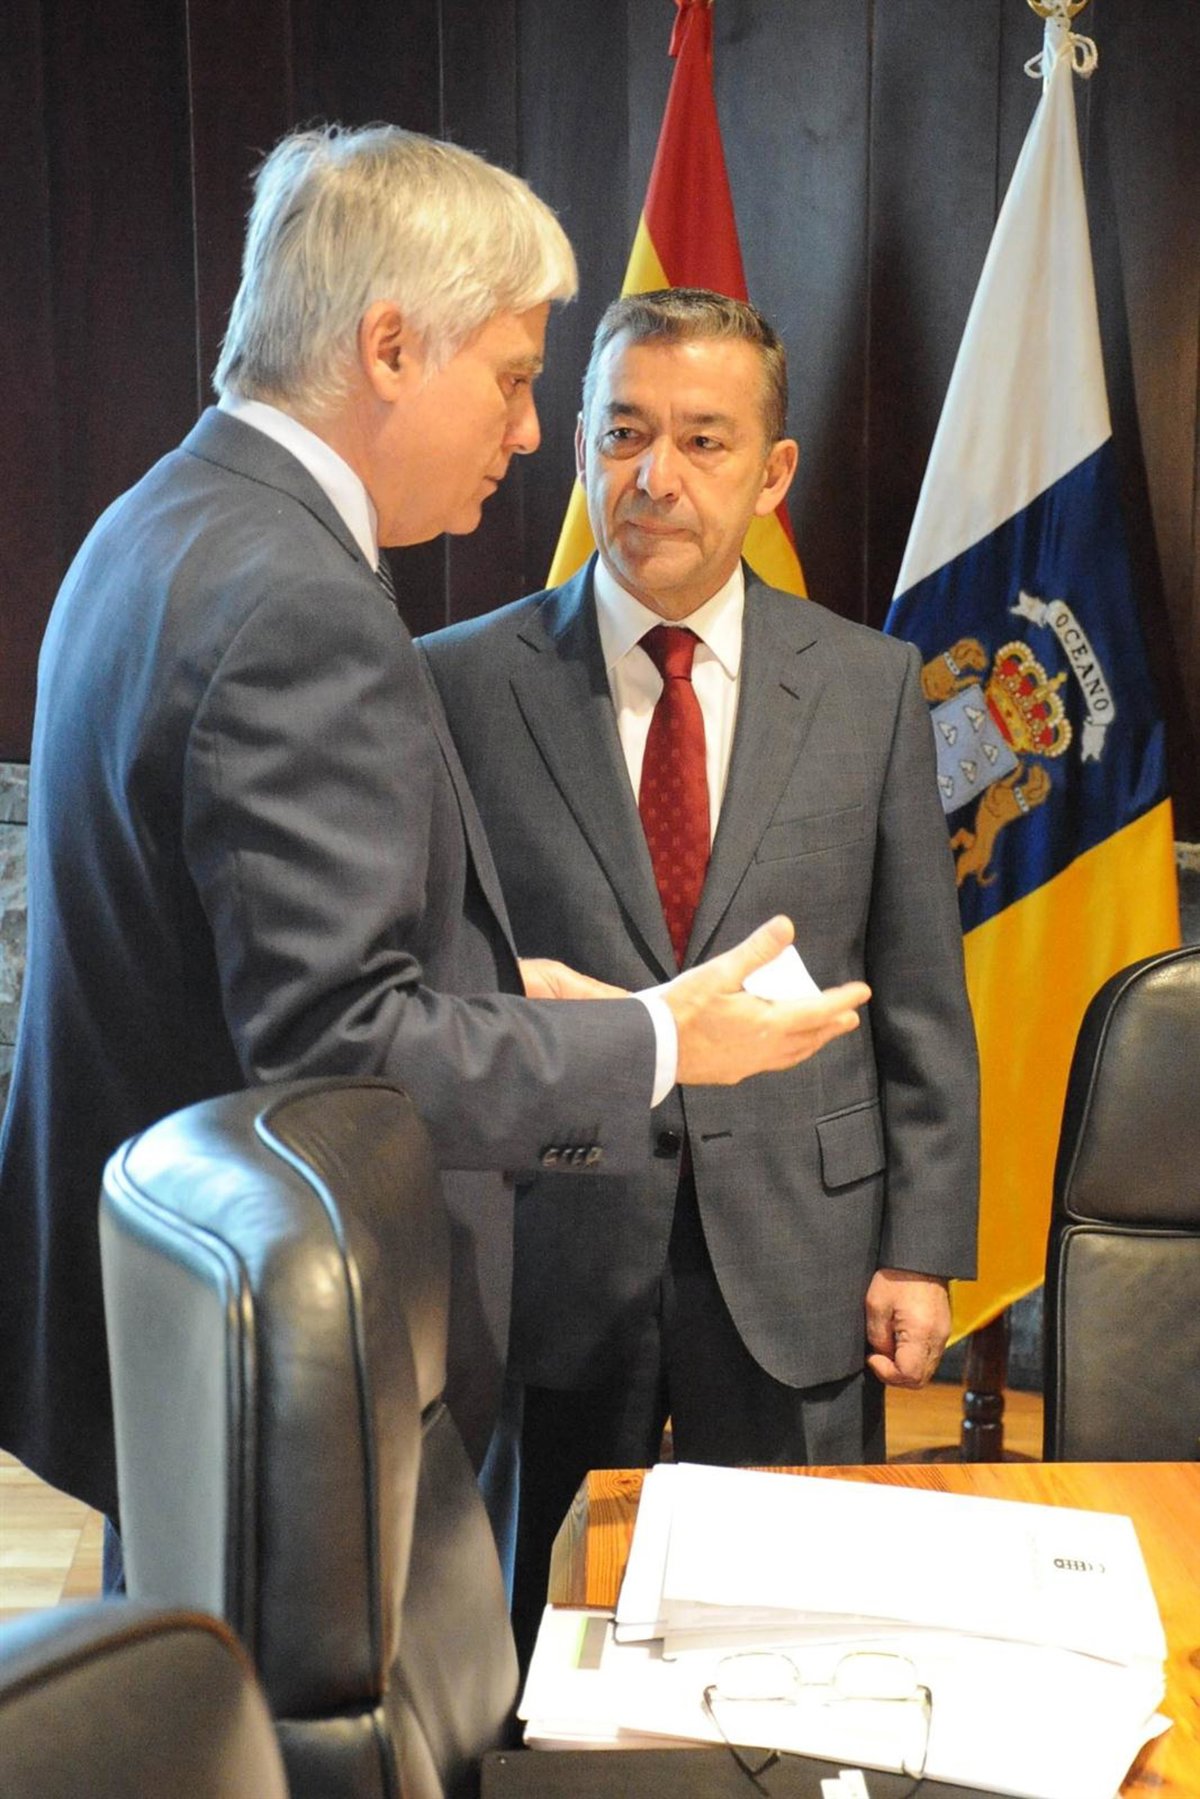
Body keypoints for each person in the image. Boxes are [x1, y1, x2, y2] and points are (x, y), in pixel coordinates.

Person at [0, 140, 870, 1589]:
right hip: (275, 1348)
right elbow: (340, 1044)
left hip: (172, 1309)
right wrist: (664, 1038)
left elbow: (237, 954)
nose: (532, 433)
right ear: (392, 347)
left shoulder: (161, 517)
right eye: (516, 376)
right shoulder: (298, 601)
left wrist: (502, 987)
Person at [420, 287, 980, 1661]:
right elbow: (440, 982)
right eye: (624, 433)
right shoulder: (455, 685)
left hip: (801, 1255)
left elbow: (919, 998)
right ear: (580, 447)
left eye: (703, 440)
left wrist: (922, 1251)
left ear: (772, 472)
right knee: (533, 1638)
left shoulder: (868, 686)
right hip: (550, 1253)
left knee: (796, 1639)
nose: (655, 476)